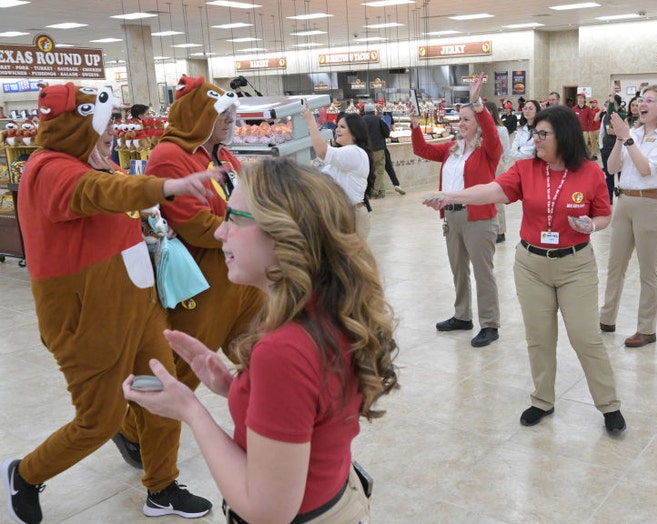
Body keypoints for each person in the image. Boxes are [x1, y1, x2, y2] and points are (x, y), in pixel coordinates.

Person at [124, 157, 400, 522]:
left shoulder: (284, 348)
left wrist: (190, 410)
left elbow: (268, 512)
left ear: (284, 234)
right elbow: (310, 407)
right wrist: (237, 387)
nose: (220, 233)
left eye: (234, 219)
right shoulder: (327, 308)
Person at [4, 83, 218, 524]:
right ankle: (24, 475)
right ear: (76, 124)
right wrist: (167, 185)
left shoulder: (97, 163)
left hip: (138, 307)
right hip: (88, 320)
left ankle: (161, 488)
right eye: (103, 123)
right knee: (98, 420)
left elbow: (112, 209)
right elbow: (99, 194)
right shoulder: (49, 169)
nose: (113, 132)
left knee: (162, 396)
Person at [422, 104, 626, 434]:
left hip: (575, 266)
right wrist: (450, 195)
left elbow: (605, 214)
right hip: (531, 266)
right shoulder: (526, 169)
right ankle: (542, 399)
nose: (536, 139)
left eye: (543, 134)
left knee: (586, 338)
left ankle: (609, 404)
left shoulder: (589, 172)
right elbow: (491, 190)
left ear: (565, 137)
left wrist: (593, 225)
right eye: (536, 133)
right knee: (539, 338)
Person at [114, 75, 266, 465]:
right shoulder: (170, 155)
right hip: (204, 282)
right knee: (184, 372)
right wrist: (248, 230)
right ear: (199, 115)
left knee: (258, 351)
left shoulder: (224, 155)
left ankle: (264, 421)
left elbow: (246, 204)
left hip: (240, 277)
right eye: (222, 114)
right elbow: (193, 224)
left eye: (232, 112)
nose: (231, 119)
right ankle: (133, 432)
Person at [411, 73, 502, 348]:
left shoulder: (488, 149)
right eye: (459, 119)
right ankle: (462, 316)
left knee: (482, 271)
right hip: (452, 217)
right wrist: (415, 125)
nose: (461, 123)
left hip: (478, 217)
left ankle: (490, 324)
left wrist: (477, 104)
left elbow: (491, 130)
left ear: (477, 123)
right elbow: (422, 149)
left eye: (466, 119)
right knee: (458, 269)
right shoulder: (452, 149)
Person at [598, 85, 657, 348]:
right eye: (640, 99)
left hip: (653, 202)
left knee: (648, 269)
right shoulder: (631, 133)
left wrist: (629, 140)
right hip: (624, 200)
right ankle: (606, 317)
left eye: (649, 100)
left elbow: (646, 169)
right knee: (615, 265)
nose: (641, 104)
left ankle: (647, 328)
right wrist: (621, 139)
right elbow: (612, 168)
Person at [302, 109, 374, 240]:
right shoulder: (345, 155)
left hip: (351, 216)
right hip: (341, 215)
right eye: (337, 126)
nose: (337, 130)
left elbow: (323, 152)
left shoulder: (355, 152)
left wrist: (311, 122)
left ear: (354, 132)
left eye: (342, 127)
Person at [485, 101, 512, 244]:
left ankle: (500, 231)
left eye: (487, 111)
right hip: (483, 166)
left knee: (497, 200)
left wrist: (502, 164)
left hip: (497, 166)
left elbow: (507, 150)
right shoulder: (480, 129)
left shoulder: (501, 130)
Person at [362, 103, 391, 199]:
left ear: (365, 111)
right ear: (373, 111)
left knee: (372, 172)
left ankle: (381, 191)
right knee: (379, 171)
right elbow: (387, 133)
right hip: (379, 149)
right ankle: (375, 191)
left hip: (367, 150)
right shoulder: (378, 119)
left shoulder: (361, 121)